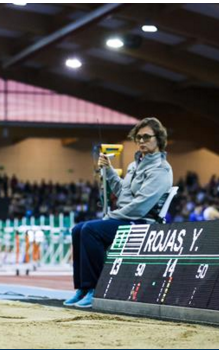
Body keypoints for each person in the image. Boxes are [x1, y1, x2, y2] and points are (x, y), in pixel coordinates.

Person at [64, 117, 173, 308]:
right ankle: (83, 287)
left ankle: (97, 289)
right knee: (78, 229)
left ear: (159, 139)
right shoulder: (134, 165)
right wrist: (109, 170)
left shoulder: (161, 170)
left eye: (146, 137)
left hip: (143, 223)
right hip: (127, 219)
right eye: (138, 137)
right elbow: (122, 192)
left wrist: (112, 216)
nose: (141, 141)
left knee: (90, 230)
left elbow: (140, 206)